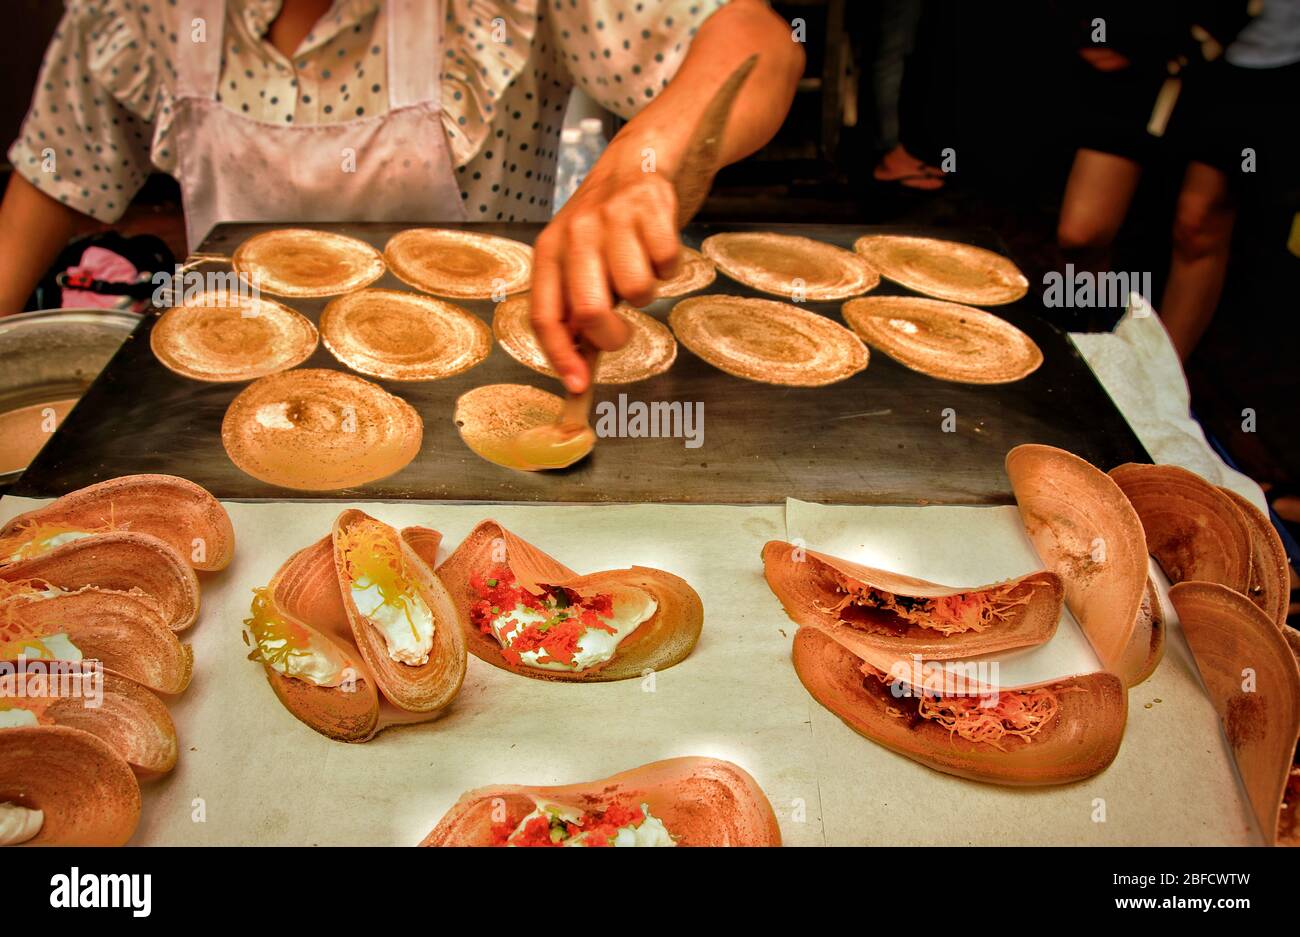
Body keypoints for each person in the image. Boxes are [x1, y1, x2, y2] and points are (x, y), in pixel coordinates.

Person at [0, 0, 804, 393]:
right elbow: (53, 175)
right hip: (225, 391)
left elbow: (756, 42)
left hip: (480, 398)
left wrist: (641, 161)